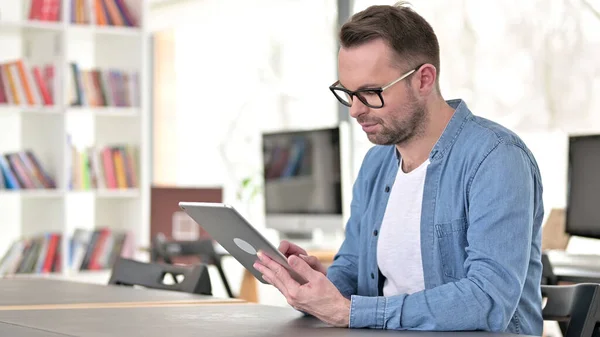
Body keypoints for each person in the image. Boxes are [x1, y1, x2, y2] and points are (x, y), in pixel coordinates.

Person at [253, 1, 544, 335]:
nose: (355, 111)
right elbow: (352, 268)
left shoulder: (495, 159)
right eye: (348, 94)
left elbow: (488, 300)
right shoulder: (376, 163)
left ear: (423, 79)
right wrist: (318, 287)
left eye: (371, 93)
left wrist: (350, 311)